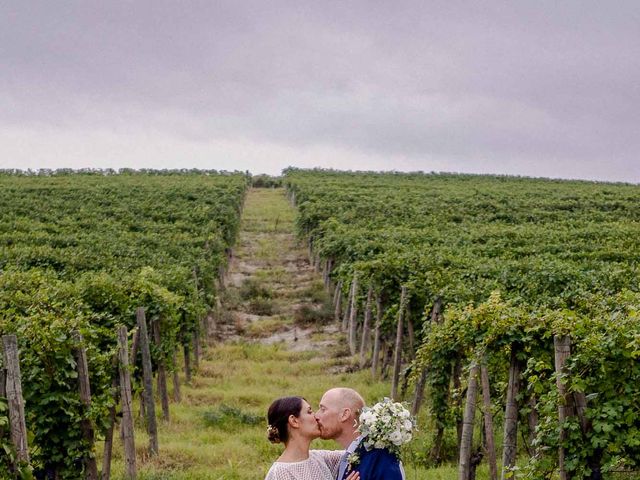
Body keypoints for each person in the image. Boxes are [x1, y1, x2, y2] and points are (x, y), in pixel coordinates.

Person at [315, 388, 405, 480]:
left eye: (323, 409)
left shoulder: (381, 458)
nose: (316, 416)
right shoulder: (349, 455)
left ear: (344, 414)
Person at [265, 396, 360, 480]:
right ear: (294, 421)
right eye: (309, 412)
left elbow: (356, 453)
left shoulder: (321, 458)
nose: (316, 416)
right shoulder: (279, 474)